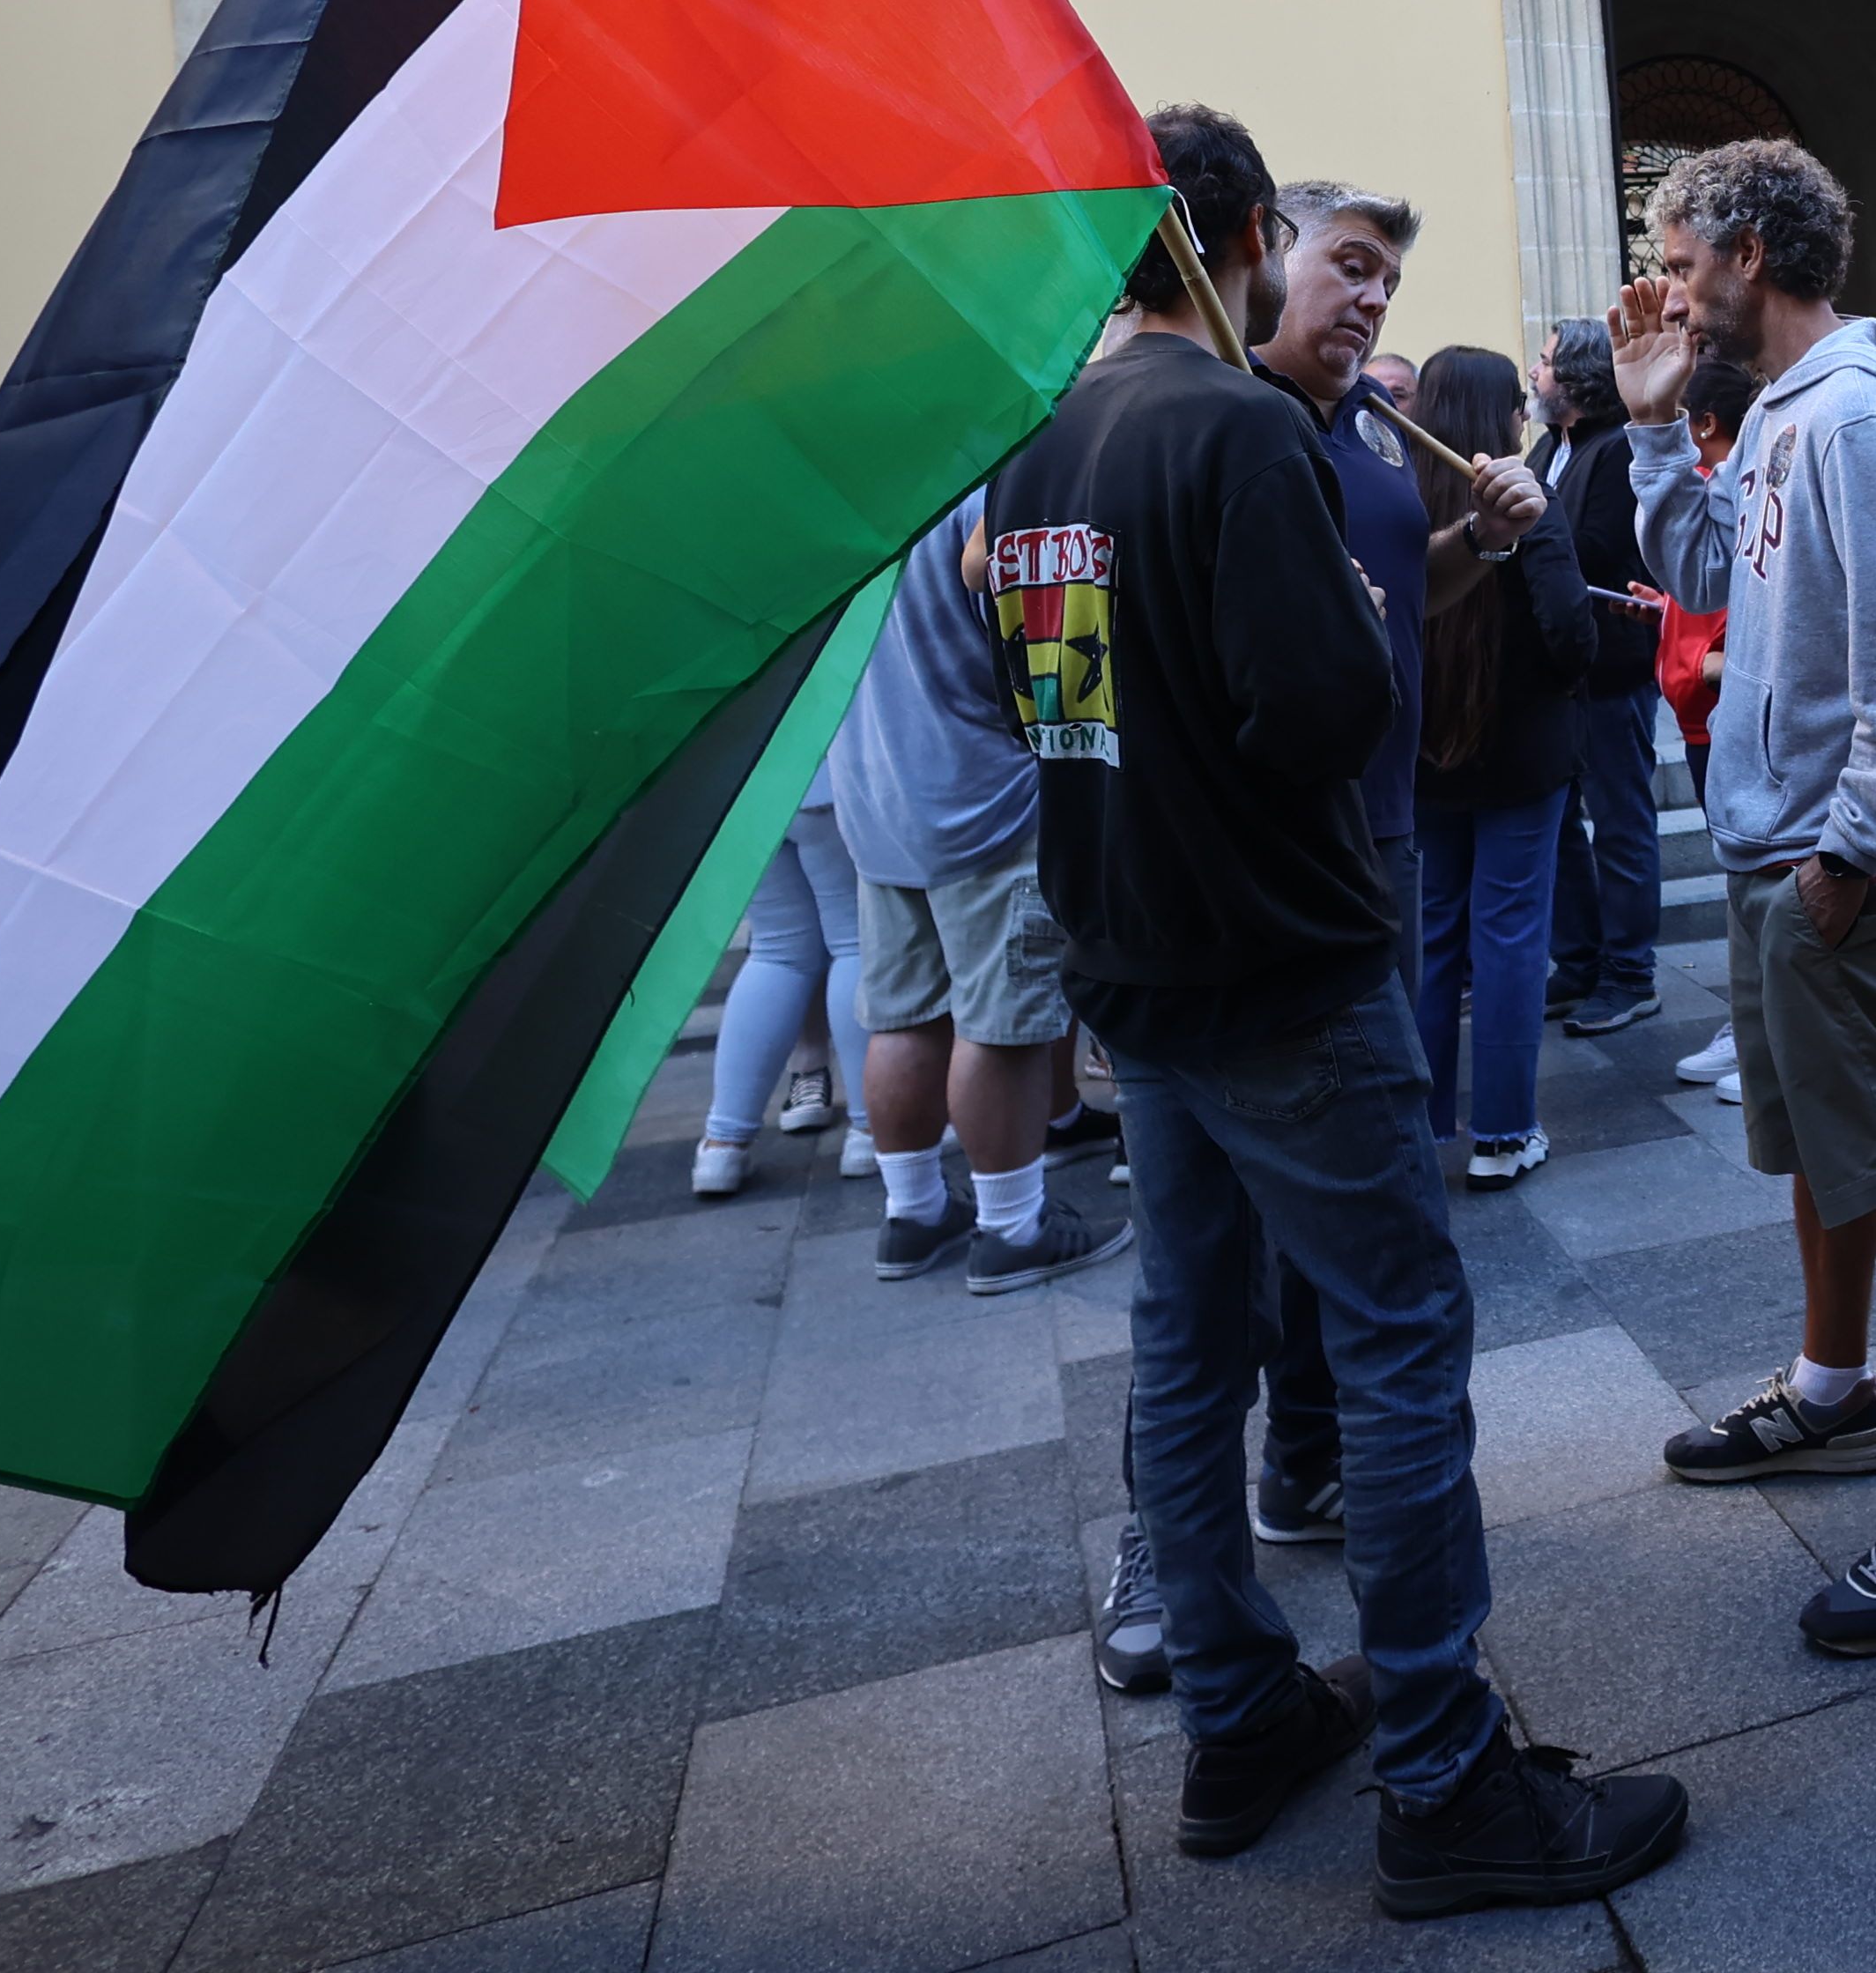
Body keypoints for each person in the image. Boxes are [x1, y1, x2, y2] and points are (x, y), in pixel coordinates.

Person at [989, 106, 1685, 1910]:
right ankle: (1448, 1783)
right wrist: (1375, 620)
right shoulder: (1235, 428)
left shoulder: (1043, 439)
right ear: (1231, 245)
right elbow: (1323, 713)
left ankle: (1236, 1710)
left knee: (1186, 1341)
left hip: (1137, 968)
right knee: (1390, 1342)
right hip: (1284, 967)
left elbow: (1055, 711)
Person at [1613, 142, 1876, 1658]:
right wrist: (1658, 435)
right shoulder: (1784, 410)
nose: (1665, 283)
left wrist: (1855, 848)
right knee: (1825, 1148)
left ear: (1751, 248)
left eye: (1679, 251)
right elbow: (1708, 567)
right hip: (1771, 840)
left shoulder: (1852, 411)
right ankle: (1835, 1384)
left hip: (1824, 857)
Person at [1244, 182, 1534, 1546]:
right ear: (1261, 255)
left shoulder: (1363, 425)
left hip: (1386, 824)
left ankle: (1314, 1447)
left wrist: (1480, 540)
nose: (1369, 299)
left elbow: (1398, 603)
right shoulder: (1231, 424)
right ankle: (1229, 1497)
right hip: (1275, 848)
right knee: (1262, 1204)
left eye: (1388, 285)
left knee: (1370, 1155)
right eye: (1348, 268)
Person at [833, 487, 1131, 1294]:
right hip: (981, 799)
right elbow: (1047, 640)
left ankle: (915, 1211)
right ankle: (1011, 1226)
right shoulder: (984, 480)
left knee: (905, 1014)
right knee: (1000, 1024)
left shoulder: (859, 480)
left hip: (874, 789)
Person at [1407, 347, 1604, 1187]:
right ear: (1500, 416)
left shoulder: (1400, 497)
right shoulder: (1528, 504)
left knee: (1436, 934)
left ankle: (1420, 1125)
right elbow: (1572, 635)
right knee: (1513, 934)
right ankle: (1503, 1130)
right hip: (1522, 756)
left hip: (1427, 756)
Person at [1534, 322, 1671, 1040]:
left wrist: (1521, 524)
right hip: (1557, 669)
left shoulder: (1615, 449)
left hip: (1610, 668)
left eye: (1548, 361)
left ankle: (1630, 973)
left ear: (1581, 379)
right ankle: (1579, 961)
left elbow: (1595, 551)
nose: (1535, 371)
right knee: (1560, 825)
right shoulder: (1551, 447)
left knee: (1620, 823)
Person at [1653, 352, 1759, 1107]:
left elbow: (1743, 612)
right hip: (1698, 718)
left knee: (1755, 884)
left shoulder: (1731, 492)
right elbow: (1696, 591)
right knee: (1741, 883)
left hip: (1723, 715)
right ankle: (1752, 1029)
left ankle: (1762, 1038)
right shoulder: (1699, 492)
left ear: (1703, 426)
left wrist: (1709, 664)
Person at [693, 768, 865, 1201]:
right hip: (824, 773)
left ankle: (723, 1146)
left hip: (736, 784)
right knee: (855, 941)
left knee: (775, 950)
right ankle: (872, 1129)